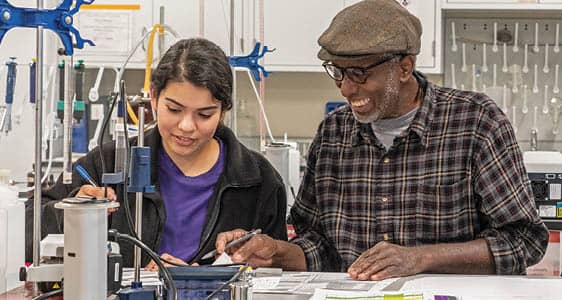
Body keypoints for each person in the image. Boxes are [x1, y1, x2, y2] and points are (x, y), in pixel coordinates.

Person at [215, 0, 549, 281]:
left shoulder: (476, 123)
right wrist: (275, 251)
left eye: (359, 73)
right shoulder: (333, 134)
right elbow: (318, 247)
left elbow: (523, 241)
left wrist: (420, 259)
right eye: (338, 71)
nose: (346, 88)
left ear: (404, 67)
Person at [25, 38, 288, 268]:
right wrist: (71, 213)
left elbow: (275, 273)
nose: (187, 126)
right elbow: (26, 231)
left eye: (204, 114)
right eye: (174, 109)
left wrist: (206, 278)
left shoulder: (258, 180)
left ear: (223, 111)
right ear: (153, 98)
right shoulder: (107, 164)